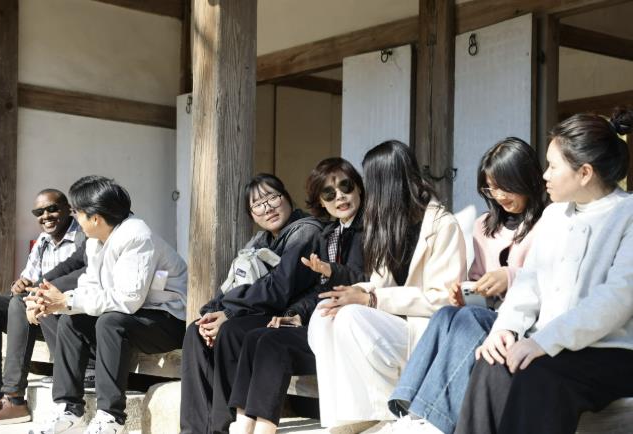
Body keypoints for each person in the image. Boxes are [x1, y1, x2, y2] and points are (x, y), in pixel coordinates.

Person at [455, 108, 633, 434]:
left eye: (553, 166)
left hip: (611, 352)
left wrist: (543, 342)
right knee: (491, 363)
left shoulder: (628, 214)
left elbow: (616, 299)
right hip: (551, 345)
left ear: (585, 173)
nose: (544, 176)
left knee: (539, 374)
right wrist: (506, 329)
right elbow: (529, 283)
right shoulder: (554, 215)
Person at [377, 138, 545, 434]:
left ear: (526, 178)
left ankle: (432, 422)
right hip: (490, 314)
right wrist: (469, 293)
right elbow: (479, 279)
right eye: (490, 188)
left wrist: (509, 277)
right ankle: (410, 410)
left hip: (525, 323)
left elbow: (550, 278)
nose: (499, 196)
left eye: (505, 187)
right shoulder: (484, 225)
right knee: (446, 314)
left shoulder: (549, 224)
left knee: (468, 319)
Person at [307, 140, 467, 430]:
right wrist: (358, 292)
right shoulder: (387, 224)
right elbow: (379, 284)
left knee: (352, 318)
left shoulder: (442, 225)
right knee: (325, 313)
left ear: (388, 182)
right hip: (394, 324)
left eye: (370, 180)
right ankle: (344, 417)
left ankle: (384, 413)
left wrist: (372, 299)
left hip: (426, 331)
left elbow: (444, 298)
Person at [28, 176, 188, 434]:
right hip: (134, 316)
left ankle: (110, 417)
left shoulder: (137, 236)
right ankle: (68, 410)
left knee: (110, 322)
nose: (75, 219)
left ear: (95, 218)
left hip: (168, 321)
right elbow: (90, 287)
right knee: (71, 321)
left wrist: (67, 300)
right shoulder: (95, 241)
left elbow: (127, 300)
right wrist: (55, 303)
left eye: (77, 213)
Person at [228, 158, 367, 434]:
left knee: (273, 343)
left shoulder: (371, 229)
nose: (339, 197)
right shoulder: (330, 234)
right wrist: (295, 314)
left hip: (353, 327)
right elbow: (319, 290)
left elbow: (367, 280)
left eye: (345, 187)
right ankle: (243, 425)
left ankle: (265, 428)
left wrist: (332, 271)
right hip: (324, 321)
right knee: (257, 337)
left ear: (359, 188)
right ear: (321, 202)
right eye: (329, 193)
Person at [180, 173, 323, 434]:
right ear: (251, 214)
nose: (267, 208)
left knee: (231, 331)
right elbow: (233, 284)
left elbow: (279, 288)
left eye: (272, 198)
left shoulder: (305, 231)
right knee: (196, 331)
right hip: (258, 313)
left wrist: (229, 313)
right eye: (257, 205)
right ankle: (195, 430)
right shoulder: (258, 241)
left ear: (286, 197)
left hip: (288, 317)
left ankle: (222, 426)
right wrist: (212, 313)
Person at [0, 189, 84, 427]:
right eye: (39, 212)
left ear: (68, 209)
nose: (46, 216)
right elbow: (27, 279)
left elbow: (83, 280)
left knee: (20, 303)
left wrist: (32, 293)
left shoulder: (82, 237)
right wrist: (20, 284)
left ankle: (14, 398)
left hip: (67, 315)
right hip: (37, 312)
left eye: (52, 209)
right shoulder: (42, 241)